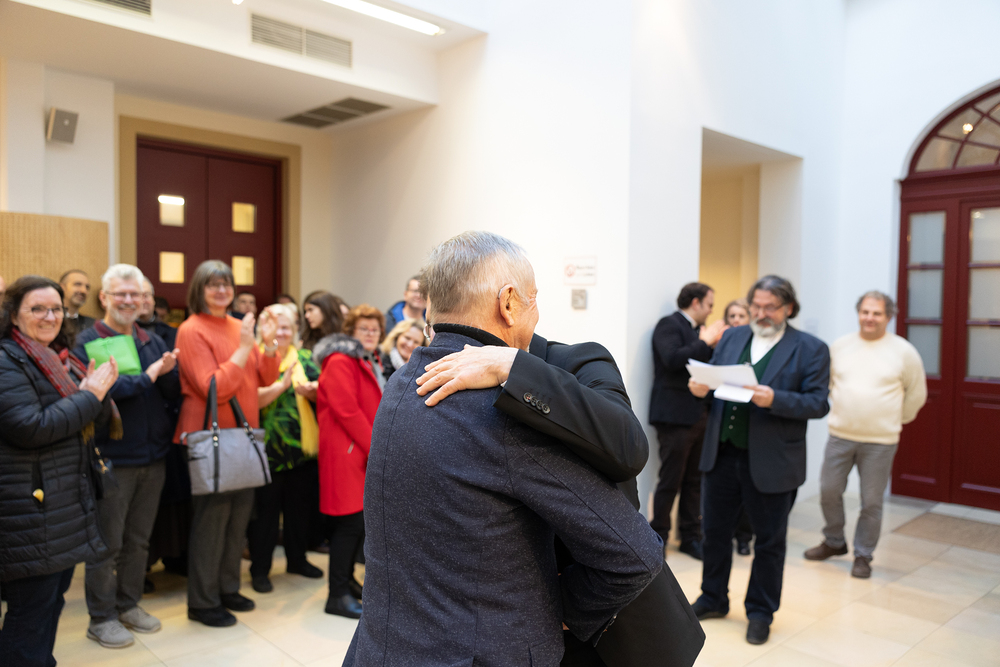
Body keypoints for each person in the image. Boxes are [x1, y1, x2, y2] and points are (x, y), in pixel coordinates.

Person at [344, 232, 663, 667]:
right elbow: (635, 555)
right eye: (534, 299)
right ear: (509, 303)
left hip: (387, 644)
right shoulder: (500, 411)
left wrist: (513, 366)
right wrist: (562, 611)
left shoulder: (403, 380)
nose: (537, 312)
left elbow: (626, 443)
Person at [413, 345, 705, 662]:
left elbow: (628, 449)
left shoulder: (579, 360)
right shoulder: (440, 378)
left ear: (510, 314)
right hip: (509, 629)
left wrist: (515, 370)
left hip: (609, 616)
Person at [688, 275, 830, 645]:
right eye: (756, 306)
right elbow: (718, 384)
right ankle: (713, 597)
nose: (761, 314)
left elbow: (818, 403)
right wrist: (701, 389)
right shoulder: (733, 337)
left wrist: (775, 399)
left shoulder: (811, 348)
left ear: (789, 308)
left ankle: (760, 611)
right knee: (715, 533)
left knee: (769, 541)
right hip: (721, 453)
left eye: (770, 307)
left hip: (773, 461)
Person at [0, 275, 118, 667]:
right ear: (13, 315)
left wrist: (97, 395)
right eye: (37, 309)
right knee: (30, 616)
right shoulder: (6, 359)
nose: (50, 317)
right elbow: (31, 427)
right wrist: (90, 395)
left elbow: (85, 422)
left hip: (63, 505)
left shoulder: (59, 358)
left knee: (50, 604)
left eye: (56, 308)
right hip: (30, 510)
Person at [73, 265, 180, 648]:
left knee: (138, 541)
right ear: (104, 297)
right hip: (112, 459)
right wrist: (150, 375)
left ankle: (128, 604)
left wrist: (169, 371)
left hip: (153, 456)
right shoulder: (89, 340)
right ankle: (101, 618)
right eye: (121, 293)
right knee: (107, 544)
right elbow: (106, 388)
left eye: (136, 294)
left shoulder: (150, 338)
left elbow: (169, 392)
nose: (129, 300)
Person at [174, 260, 280, 627]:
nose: (221, 291)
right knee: (212, 523)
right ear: (199, 290)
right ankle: (203, 602)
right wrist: (245, 348)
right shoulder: (191, 329)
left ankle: (228, 588)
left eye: (226, 284)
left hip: (242, 436)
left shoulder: (238, 326)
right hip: (210, 437)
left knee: (238, 521)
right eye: (213, 285)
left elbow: (264, 376)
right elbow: (212, 388)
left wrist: (268, 344)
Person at [804, 291, 926, 578]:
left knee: (871, 502)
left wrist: (893, 420)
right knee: (829, 491)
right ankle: (834, 541)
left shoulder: (904, 351)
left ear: (888, 317)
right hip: (840, 435)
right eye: (865, 312)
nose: (870, 318)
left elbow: (916, 394)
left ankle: (863, 555)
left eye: (877, 313)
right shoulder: (840, 346)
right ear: (858, 313)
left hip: (880, 442)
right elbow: (827, 385)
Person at [313, 304, 385, 618]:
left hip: (359, 452)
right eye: (363, 329)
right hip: (347, 453)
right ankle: (336, 594)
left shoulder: (366, 359)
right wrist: (376, 447)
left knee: (357, 524)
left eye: (374, 329)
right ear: (351, 332)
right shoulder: (340, 360)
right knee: (348, 525)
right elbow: (347, 410)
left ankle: (347, 583)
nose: (370, 334)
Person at [247, 303, 324, 593]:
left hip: (301, 450)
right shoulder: (255, 356)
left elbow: (324, 391)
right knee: (265, 517)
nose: (282, 332)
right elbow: (250, 399)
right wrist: (282, 385)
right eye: (277, 327)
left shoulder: (305, 358)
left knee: (299, 511)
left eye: (287, 327)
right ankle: (260, 570)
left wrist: (314, 393)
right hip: (265, 451)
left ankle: (297, 560)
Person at [649, 282, 727, 561]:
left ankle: (690, 537)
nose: (711, 311)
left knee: (695, 481)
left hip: (699, 414)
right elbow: (672, 359)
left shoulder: (698, 332)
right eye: (709, 305)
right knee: (670, 480)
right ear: (695, 303)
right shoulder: (669, 325)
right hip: (674, 416)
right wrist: (705, 342)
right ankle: (658, 537)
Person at [723, 299, 754, 557]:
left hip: (752, 429)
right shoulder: (725, 343)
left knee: (748, 493)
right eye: (732, 315)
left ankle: (744, 537)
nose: (736, 320)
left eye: (741, 315)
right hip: (725, 432)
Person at [136, 278, 177, 349]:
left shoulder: (172, 333)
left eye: (146, 295)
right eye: (137, 296)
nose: (142, 301)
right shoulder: (122, 331)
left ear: (153, 300)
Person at [60, 269, 96, 341]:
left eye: (87, 287)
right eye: (77, 284)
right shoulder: (52, 321)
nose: (84, 291)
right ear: (62, 287)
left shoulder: (92, 324)